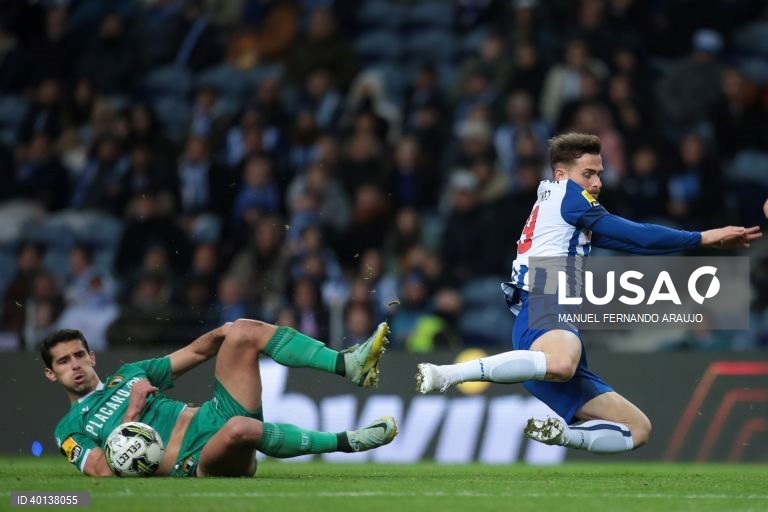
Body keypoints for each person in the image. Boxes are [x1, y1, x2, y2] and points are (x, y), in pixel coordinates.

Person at [416, 133, 761, 454]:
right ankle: (448, 374)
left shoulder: (559, 204)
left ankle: (561, 434)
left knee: (638, 429)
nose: (597, 183)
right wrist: (704, 237)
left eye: (599, 173)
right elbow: (638, 234)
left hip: (545, 322)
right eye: (588, 173)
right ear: (562, 173)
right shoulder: (569, 196)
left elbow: (633, 243)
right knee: (562, 362)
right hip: (546, 298)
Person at [43, 320, 396, 477]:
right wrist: (133, 411)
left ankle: (348, 364)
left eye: (78, 355)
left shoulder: (130, 374)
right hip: (191, 460)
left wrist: (222, 333)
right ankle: (348, 443)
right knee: (240, 428)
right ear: (51, 374)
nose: (74, 365)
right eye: (63, 361)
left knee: (244, 330)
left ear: (92, 356)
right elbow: (103, 471)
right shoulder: (70, 429)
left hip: (209, 416)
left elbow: (195, 354)